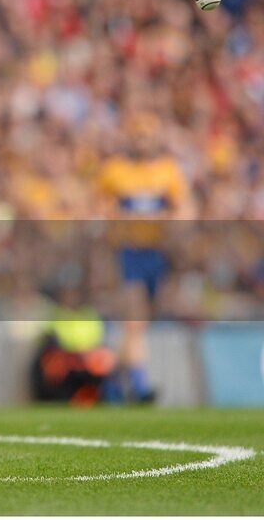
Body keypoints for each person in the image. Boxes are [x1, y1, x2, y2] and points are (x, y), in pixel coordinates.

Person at [97, 112, 192, 402]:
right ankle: (140, 386)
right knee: (135, 322)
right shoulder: (115, 171)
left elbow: (183, 211)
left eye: (147, 135)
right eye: (137, 135)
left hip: (158, 254)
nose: (142, 141)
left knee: (138, 325)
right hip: (128, 253)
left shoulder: (168, 171)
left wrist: (162, 220)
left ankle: (113, 381)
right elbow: (102, 211)